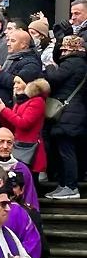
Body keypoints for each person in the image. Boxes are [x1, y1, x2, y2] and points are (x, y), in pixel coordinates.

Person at [44, 35, 87, 199]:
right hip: (75, 112)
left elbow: (54, 78)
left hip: (67, 113)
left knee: (66, 150)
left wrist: (49, 67)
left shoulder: (71, 63)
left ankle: (70, 186)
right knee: (66, 150)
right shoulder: (82, 64)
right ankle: (64, 185)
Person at [0, 76, 48, 175]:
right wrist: (0, 112)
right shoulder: (19, 102)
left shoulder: (37, 101)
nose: (15, 86)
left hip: (29, 149)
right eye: (14, 83)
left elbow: (24, 124)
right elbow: (12, 127)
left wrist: (4, 110)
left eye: (18, 83)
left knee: (29, 181)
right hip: (18, 147)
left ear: (29, 85)